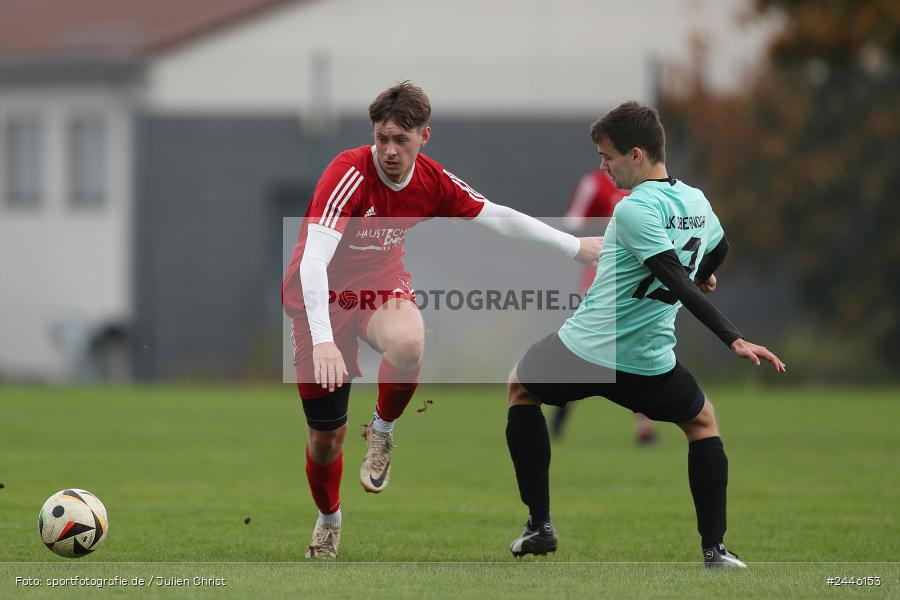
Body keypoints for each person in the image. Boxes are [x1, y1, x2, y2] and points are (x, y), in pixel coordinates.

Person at [282, 81, 601, 559]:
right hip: (319, 301)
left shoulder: (432, 181)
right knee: (326, 440)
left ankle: (383, 433)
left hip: (378, 288)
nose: (389, 151)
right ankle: (329, 519)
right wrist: (324, 340)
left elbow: (498, 216)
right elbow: (313, 262)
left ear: (424, 137)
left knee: (409, 342)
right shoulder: (347, 173)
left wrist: (574, 247)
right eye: (382, 138)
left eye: (401, 141)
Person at [504, 101, 786, 568]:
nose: (603, 166)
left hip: (587, 349)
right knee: (702, 424)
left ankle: (540, 524)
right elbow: (718, 247)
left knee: (519, 387)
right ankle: (715, 550)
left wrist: (731, 336)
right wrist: (705, 273)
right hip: (649, 361)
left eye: (608, 156)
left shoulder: (633, 209)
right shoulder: (696, 200)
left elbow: (674, 277)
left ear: (636, 154)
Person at [552, 168, 656, 444]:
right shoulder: (595, 183)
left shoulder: (651, 187)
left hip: (640, 280)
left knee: (633, 347)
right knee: (603, 347)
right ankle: (561, 405)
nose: (606, 161)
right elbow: (572, 225)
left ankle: (643, 426)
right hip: (602, 277)